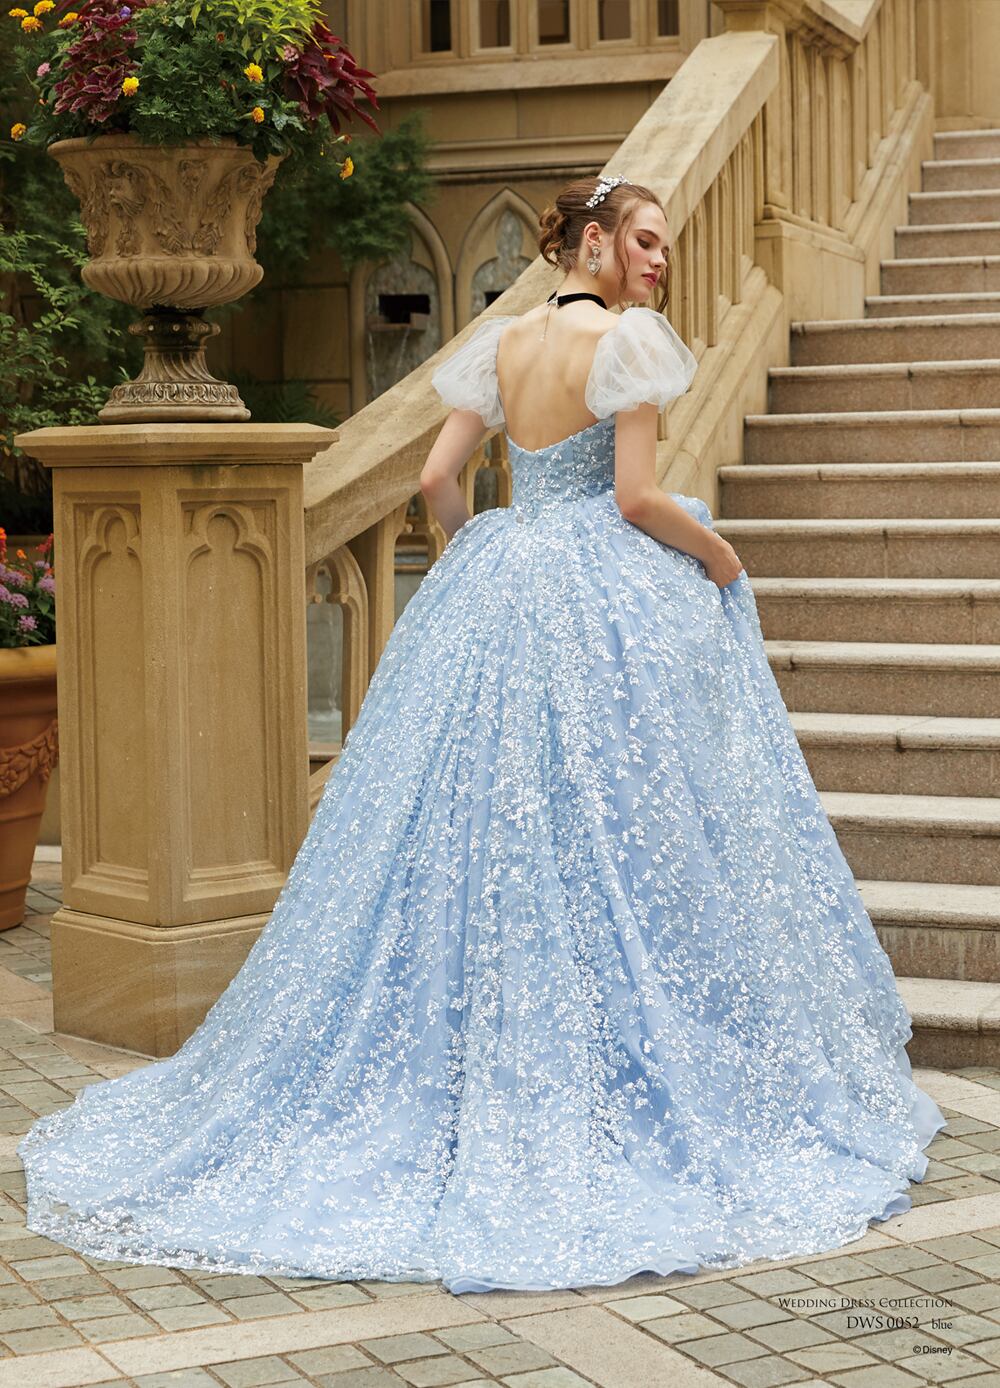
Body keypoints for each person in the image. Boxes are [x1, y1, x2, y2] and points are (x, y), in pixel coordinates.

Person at [17, 173, 946, 1297]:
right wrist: (718, 556)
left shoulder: (502, 344)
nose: (659, 261)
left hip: (506, 576)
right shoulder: (631, 341)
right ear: (596, 243)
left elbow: (436, 479)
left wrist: (479, 561)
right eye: (647, 242)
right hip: (595, 589)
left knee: (487, 829)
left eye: (662, 246)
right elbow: (637, 498)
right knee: (614, 821)